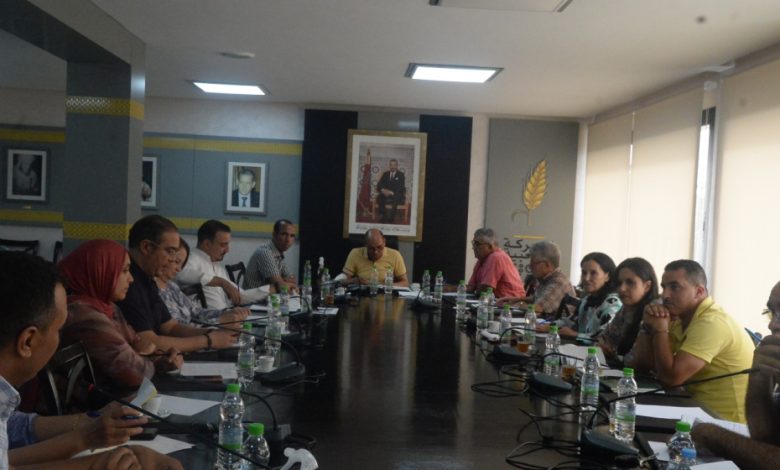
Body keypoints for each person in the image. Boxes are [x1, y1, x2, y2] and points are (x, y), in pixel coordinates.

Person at [0, 251, 182, 469]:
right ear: (28, 341)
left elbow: (14, 426)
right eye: (58, 330)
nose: (131, 279)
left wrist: (88, 430)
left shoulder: (4, 400)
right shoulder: (84, 312)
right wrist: (92, 461)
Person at [632, 259, 754, 423]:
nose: (665, 295)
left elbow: (671, 379)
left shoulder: (712, 323)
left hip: (723, 423)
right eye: (664, 287)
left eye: (674, 287)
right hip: (692, 410)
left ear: (699, 291)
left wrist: (660, 330)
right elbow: (643, 366)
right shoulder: (679, 317)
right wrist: (647, 326)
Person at [58, 240, 181, 399]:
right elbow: (135, 373)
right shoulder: (85, 316)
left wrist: (160, 358)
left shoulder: (109, 307)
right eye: (124, 271)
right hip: (88, 409)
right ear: (100, 270)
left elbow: (139, 344)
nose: (131, 279)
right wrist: (141, 355)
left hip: (111, 400)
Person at [690, 281, 780, 469]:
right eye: (771, 312)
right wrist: (759, 378)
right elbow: (766, 438)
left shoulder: (712, 322)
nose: (772, 324)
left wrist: (715, 436)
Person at [117, 215, 237, 353]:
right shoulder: (128, 284)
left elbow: (170, 326)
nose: (172, 260)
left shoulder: (147, 278)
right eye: (170, 251)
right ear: (146, 247)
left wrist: (214, 333)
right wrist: (207, 340)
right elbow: (148, 342)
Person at [176, 219, 269, 309]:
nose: (227, 250)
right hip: (210, 318)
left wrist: (271, 289)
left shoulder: (216, 265)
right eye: (223, 245)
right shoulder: (192, 258)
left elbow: (240, 295)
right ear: (207, 244)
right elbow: (181, 273)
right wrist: (221, 282)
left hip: (226, 315)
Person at [157, 239, 248, 325]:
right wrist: (219, 320)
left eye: (182, 264)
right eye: (176, 262)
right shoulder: (155, 292)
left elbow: (195, 311)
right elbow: (177, 328)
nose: (179, 269)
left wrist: (225, 313)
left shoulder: (171, 286)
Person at [598, 257, 658, 365]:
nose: (622, 288)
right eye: (619, 283)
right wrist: (602, 347)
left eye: (630, 282)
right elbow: (604, 339)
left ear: (647, 286)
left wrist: (612, 355)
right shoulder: (625, 309)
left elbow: (635, 361)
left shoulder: (653, 313)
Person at [548, 252, 621, 340]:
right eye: (584, 272)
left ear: (607, 276)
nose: (586, 278)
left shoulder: (613, 303)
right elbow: (571, 320)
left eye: (593, 273)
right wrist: (549, 326)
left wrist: (575, 335)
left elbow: (603, 337)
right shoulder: (587, 299)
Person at [498, 241, 575, 319]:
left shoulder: (558, 283)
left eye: (533, 262)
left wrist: (518, 304)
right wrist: (516, 299)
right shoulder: (547, 278)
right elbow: (537, 298)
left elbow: (538, 308)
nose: (530, 265)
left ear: (547, 265)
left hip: (553, 325)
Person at [466, 228, 525, 298]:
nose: (473, 247)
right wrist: (455, 288)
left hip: (510, 302)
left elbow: (486, 289)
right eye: (473, 243)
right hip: (494, 301)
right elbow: (470, 287)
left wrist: (474, 290)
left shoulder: (496, 257)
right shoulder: (481, 260)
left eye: (477, 244)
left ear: (490, 246)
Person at [342, 228, 409, 286]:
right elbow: (342, 281)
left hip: (386, 292)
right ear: (366, 245)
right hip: (362, 292)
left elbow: (405, 283)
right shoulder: (355, 253)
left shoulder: (395, 255)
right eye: (371, 248)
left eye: (379, 247)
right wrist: (353, 281)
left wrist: (385, 286)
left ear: (384, 242)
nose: (375, 252)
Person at [244, 219, 298, 291]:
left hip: (268, 296)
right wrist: (283, 282)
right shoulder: (265, 252)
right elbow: (282, 287)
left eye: (292, 236)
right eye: (284, 234)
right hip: (255, 297)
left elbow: (292, 279)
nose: (288, 240)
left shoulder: (278, 252)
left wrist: (283, 281)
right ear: (274, 235)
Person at [376, 159, 405, 224]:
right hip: (386, 193)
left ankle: (391, 218)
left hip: (396, 194)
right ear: (389, 166)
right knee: (380, 197)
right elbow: (379, 184)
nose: (392, 166)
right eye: (391, 165)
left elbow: (401, 187)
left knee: (396, 197)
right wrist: (383, 190)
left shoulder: (401, 175)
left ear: (397, 166)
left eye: (394, 165)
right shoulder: (385, 174)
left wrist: (391, 192)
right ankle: (383, 217)